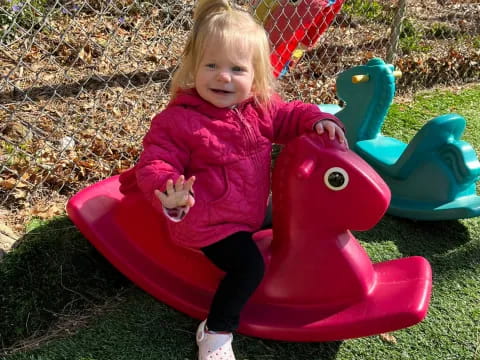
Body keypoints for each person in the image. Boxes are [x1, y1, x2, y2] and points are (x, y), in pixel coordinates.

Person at [120, 0, 346, 358]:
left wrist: (316, 120)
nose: (223, 77)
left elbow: (290, 115)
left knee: (299, 217)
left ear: (256, 76)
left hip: (249, 209)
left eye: (237, 69)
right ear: (194, 67)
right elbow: (156, 161)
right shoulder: (179, 121)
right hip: (208, 221)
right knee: (249, 266)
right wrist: (170, 193)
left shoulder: (259, 108)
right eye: (211, 65)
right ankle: (216, 330)